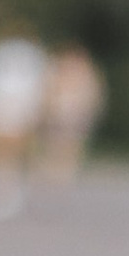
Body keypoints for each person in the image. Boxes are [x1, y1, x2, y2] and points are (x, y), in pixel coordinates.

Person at [0, 30, 51, 220]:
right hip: (4, 105)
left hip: (15, 107)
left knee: (10, 151)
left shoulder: (29, 56)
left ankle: (8, 186)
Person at [39, 44, 107, 185]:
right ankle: (53, 165)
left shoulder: (87, 72)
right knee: (55, 138)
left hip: (77, 108)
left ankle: (67, 168)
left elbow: (93, 92)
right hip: (60, 107)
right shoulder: (58, 69)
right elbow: (50, 88)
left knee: (73, 139)